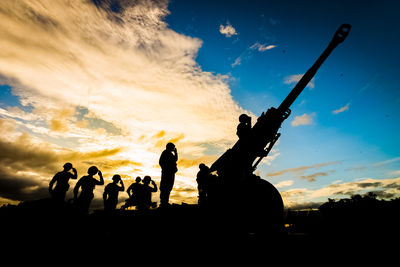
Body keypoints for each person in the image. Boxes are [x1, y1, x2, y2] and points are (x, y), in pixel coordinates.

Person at [159, 142, 178, 207]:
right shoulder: (165, 153)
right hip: (167, 173)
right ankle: (163, 203)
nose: (173, 148)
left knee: (168, 187)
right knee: (165, 188)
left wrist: (175, 153)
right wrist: (168, 168)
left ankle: (165, 202)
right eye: (173, 147)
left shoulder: (170, 154)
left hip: (170, 173)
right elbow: (161, 163)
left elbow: (175, 160)